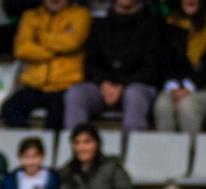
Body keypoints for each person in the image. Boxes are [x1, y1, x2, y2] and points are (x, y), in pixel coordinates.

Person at [63, 0, 164, 132]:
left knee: (134, 94)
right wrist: (104, 83)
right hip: (104, 88)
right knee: (76, 94)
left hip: (137, 86)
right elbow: (91, 63)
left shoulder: (152, 25)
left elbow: (152, 69)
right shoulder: (100, 24)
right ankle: (78, 146)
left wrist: (122, 85)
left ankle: (132, 149)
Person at [0, 0, 89, 131]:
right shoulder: (30, 16)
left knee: (55, 117)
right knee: (10, 108)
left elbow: (71, 42)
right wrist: (57, 50)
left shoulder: (81, 14)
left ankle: (49, 150)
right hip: (35, 85)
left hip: (65, 85)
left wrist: (39, 37)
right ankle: (30, 146)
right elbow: (21, 49)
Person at [153, 0, 206, 136]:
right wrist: (174, 88)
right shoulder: (170, 22)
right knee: (162, 104)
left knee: (187, 106)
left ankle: (191, 153)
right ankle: (167, 154)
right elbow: (164, 61)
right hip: (175, 86)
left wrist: (189, 88)